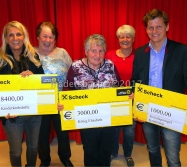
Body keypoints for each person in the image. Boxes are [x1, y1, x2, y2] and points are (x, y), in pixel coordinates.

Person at [131, 8, 187, 167]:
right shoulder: (141, 52)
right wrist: (134, 104)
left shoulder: (182, 51)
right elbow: (135, 81)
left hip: (173, 113)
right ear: (146, 29)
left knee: (173, 158)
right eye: (151, 27)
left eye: (159, 26)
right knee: (153, 149)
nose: (154, 31)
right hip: (148, 112)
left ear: (167, 27)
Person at [0, 21, 44, 167]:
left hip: (34, 113)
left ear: (24, 36)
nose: (15, 38)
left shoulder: (33, 56)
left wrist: (34, 77)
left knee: (33, 146)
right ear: (6, 38)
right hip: (12, 116)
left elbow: (43, 83)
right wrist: (2, 111)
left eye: (19, 34)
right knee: (16, 150)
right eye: (11, 35)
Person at [65, 34, 121, 167]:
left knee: (105, 152)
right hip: (87, 119)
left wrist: (127, 95)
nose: (97, 54)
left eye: (101, 50)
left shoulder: (110, 65)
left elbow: (119, 87)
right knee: (90, 152)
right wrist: (65, 105)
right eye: (93, 50)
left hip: (108, 119)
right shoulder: (76, 66)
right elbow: (67, 91)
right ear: (86, 51)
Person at [35, 21, 73, 167]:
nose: (48, 40)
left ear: (55, 39)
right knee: (42, 134)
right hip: (39, 103)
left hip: (60, 102)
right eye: (45, 36)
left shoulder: (62, 53)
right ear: (38, 37)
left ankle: (65, 158)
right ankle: (44, 160)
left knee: (63, 133)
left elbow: (72, 73)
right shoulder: (30, 53)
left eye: (51, 37)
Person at [105, 25, 136, 167]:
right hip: (114, 100)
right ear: (118, 39)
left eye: (128, 36)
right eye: (122, 36)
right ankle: (113, 152)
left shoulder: (139, 56)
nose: (125, 39)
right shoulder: (109, 55)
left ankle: (128, 153)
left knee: (129, 130)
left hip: (132, 99)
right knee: (114, 129)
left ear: (133, 39)